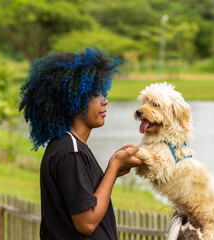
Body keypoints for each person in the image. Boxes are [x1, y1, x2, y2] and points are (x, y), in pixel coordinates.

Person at [19, 47, 143, 239]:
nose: (105, 101)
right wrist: (115, 166)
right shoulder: (70, 152)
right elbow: (87, 222)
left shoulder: (69, 146)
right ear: (74, 101)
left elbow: (87, 200)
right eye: (96, 95)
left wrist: (113, 170)